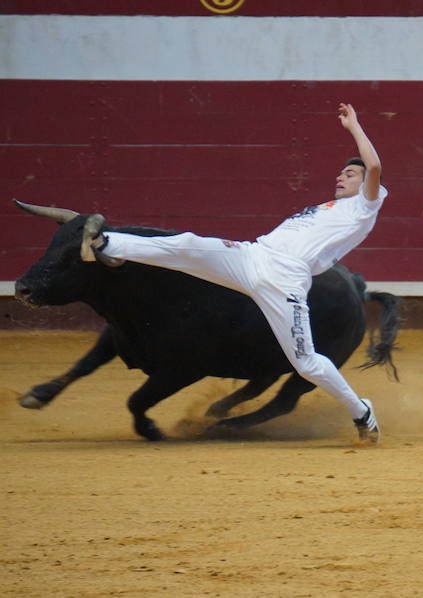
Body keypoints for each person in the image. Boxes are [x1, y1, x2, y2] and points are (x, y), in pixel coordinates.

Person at [85, 103, 386, 443]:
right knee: (186, 245)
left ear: (367, 186)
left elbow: (373, 165)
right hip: (252, 255)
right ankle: (105, 243)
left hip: (285, 281)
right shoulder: (329, 208)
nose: (340, 176)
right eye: (342, 172)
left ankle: (361, 412)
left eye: (349, 174)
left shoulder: (365, 206)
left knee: (306, 363)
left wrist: (354, 126)